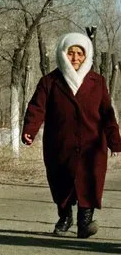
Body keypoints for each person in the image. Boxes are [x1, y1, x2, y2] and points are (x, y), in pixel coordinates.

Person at [22, 32, 120, 238]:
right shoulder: (50, 81)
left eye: (80, 54)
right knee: (61, 181)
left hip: (93, 144)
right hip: (60, 143)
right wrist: (30, 130)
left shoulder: (98, 81)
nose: (75, 58)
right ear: (62, 54)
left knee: (90, 180)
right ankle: (65, 216)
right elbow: (36, 108)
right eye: (71, 53)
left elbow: (107, 113)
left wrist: (115, 140)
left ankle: (85, 222)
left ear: (87, 56)